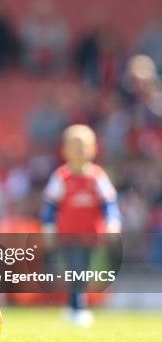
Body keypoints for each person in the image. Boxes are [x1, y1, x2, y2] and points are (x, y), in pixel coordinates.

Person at [41, 124, 121, 327]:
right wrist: (48, 229)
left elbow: (108, 203)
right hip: (67, 234)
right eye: (74, 145)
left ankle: (74, 305)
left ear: (94, 149)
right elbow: (50, 206)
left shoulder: (97, 177)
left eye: (84, 145)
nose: (79, 150)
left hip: (91, 234)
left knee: (83, 269)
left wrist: (113, 223)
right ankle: (78, 306)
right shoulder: (61, 177)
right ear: (64, 150)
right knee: (75, 268)